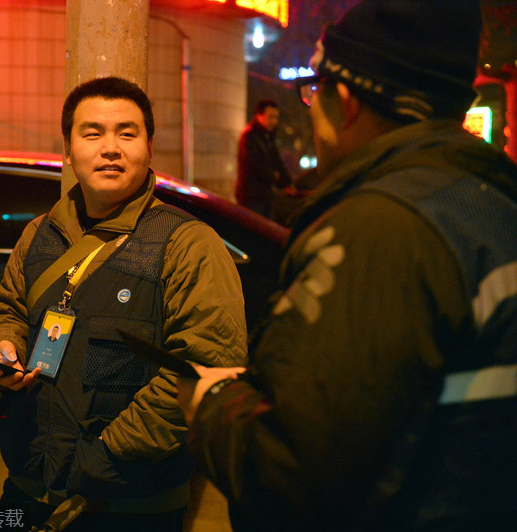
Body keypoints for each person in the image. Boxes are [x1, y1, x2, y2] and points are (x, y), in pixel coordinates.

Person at [178, 0, 517, 530]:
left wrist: (213, 402)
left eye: (314, 93)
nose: (310, 111)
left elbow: (293, 475)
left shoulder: (382, 230)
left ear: (346, 101)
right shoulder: (490, 202)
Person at [0, 76, 247, 531]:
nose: (110, 148)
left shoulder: (187, 243)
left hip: (130, 503)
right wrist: (3, 344)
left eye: (127, 132)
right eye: (93, 133)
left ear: (148, 147)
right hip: (29, 487)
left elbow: (202, 366)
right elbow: (6, 308)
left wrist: (101, 455)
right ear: (68, 149)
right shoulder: (41, 232)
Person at [234, 99, 292, 218]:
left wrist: (288, 183)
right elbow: (253, 165)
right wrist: (274, 176)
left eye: (276, 117)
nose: (274, 121)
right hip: (251, 197)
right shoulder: (250, 136)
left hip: (265, 196)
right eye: (270, 117)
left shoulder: (267, 136)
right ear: (259, 116)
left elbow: (276, 160)